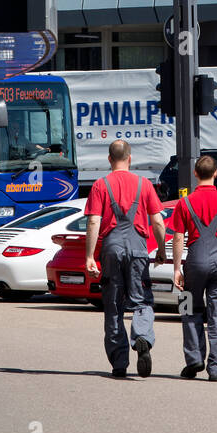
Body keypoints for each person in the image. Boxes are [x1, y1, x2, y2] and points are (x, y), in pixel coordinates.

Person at [85, 140, 167, 379]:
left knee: (113, 307)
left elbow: (93, 222)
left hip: (111, 249)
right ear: (130, 158)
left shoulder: (100, 185)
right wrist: (161, 249)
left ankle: (119, 363)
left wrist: (89, 256)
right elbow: (158, 222)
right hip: (138, 249)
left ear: (109, 159)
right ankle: (141, 336)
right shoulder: (144, 184)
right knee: (142, 301)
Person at [171, 155, 217, 382]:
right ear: (215, 174)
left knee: (187, 309)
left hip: (193, 264)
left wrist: (176, 269)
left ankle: (193, 360)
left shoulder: (184, 203)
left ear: (195, 173)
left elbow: (177, 237)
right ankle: (216, 369)